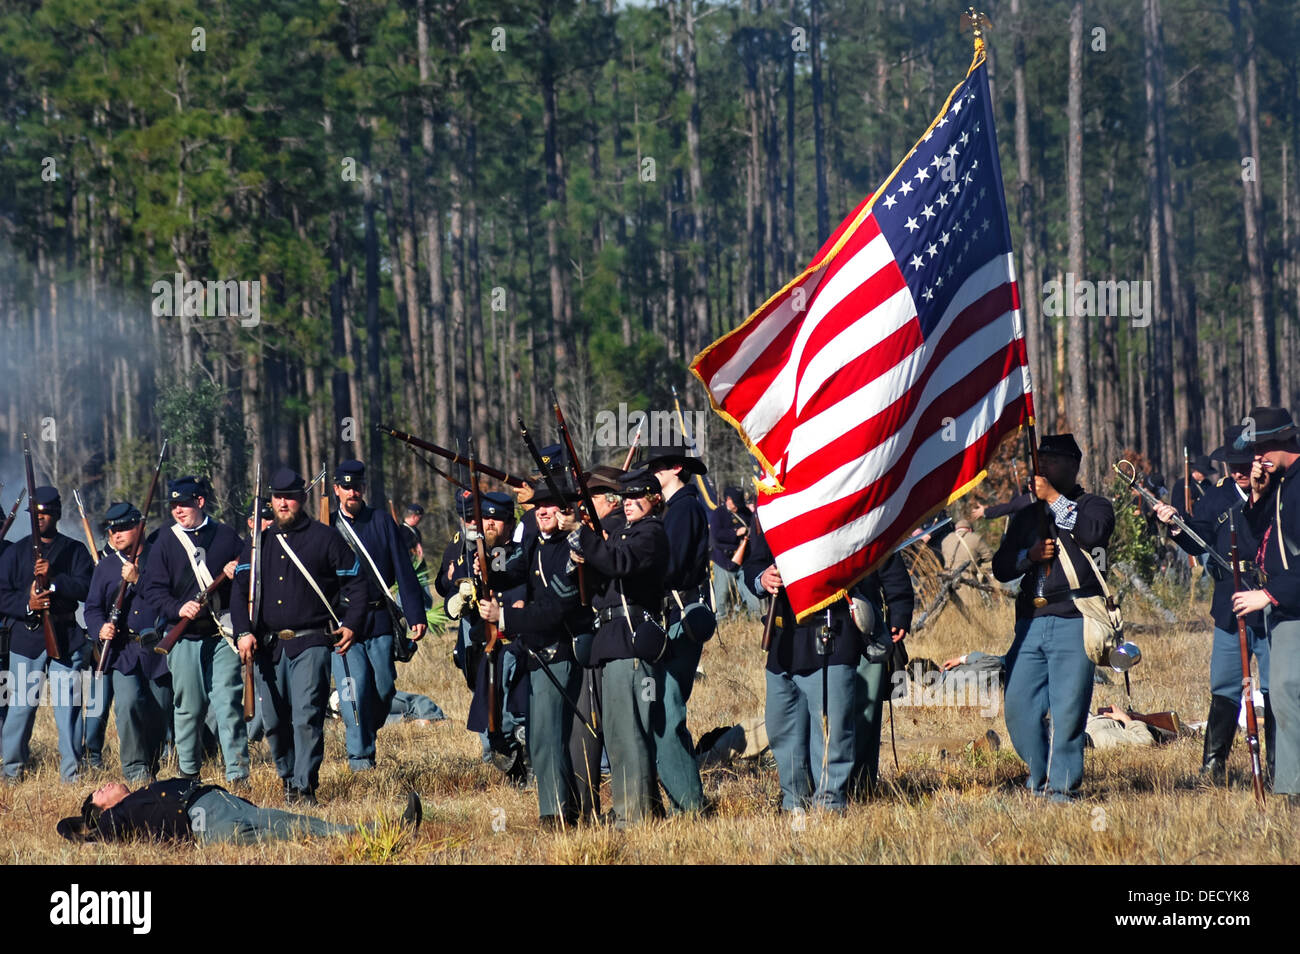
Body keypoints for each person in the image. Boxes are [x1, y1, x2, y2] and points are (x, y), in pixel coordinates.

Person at [744, 516, 911, 811]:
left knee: (843, 725)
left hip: (842, 630)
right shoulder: (775, 508)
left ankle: (841, 797)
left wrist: (899, 607)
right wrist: (762, 578)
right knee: (785, 727)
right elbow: (755, 562)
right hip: (786, 638)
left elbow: (884, 552)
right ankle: (796, 802)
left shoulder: (842, 502)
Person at [230, 467, 367, 804]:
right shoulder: (257, 543)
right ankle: (288, 779)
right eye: (278, 497)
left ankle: (305, 787)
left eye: (289, 497)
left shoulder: (325, 538)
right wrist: (243, 632)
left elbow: (357, 583)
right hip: (269, 646)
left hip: (312, 641)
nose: (283, 503)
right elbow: (239, 591)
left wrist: (352, 623)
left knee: (306, 716)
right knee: (275, 723)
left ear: (302, 499)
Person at [992, 433, 1115, 801]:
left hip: (1075, 618)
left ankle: (1061, 789)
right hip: (1030, 621)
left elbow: (1093, 535)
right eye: (1040, 460)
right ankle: (1039, 775)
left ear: (1073, 466)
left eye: (1053, 460)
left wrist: (1054, 500)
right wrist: (1028, 557)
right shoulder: (1027, 516)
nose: (1043, 466)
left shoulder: (1095, 506)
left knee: (1068, 711)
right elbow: (1001, 567)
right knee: (1019, 708)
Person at [1152, 424, 1272, 783]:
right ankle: (1213, 767)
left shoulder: (1277, 493)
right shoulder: (1216, 499)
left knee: (1276, 688)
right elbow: (1198, 539)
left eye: (1244, 463)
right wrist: (1176, 526)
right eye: (1233, 465)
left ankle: (1279, 768)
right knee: (1224, 685)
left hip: (1272, 603)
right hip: (1229, 603)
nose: (1238, 471)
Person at [557, 467, 667, 827]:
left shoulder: (651, 533)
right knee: (616, 733)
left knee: (627, 734)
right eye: (626, 497)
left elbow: (619, 562)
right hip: (610, 639)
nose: (628, 502)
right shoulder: (624, 533)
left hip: (630, 637)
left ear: (655, 500)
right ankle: (632, 810)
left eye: (637, 497)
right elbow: (600, 571)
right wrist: (579, 556)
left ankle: (634, 815)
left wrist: (583, 535)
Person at [480, 477, 591, 827]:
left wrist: (504, 616)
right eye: (538, 506)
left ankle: (555, 812)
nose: (542, 511)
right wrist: (485, 559)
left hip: (559, 652)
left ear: (564, 510)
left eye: (550, 505)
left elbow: (553, 609)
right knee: (543, 735)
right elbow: (508, 569)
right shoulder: (536, 544)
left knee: (546, 736)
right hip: (539, 654)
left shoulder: (571, 551)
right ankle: (560, 808)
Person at [139, 476, 248, 788]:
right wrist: (177, 608)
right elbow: (152, 590)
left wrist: (237, 572)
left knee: (228, 704)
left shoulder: (225, 535)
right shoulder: (165, 541)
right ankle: (188, 776)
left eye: (184, 504)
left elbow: (248, 582)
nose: (178, 510)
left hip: (220, 634)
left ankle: (238, 775)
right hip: (183, 636)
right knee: (188, 708)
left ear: (200, 502)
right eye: (174, 505)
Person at [329, 460, 428, 772]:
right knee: (353, 692)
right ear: (336, 489)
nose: (352, 492)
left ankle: (365, 734)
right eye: (346, 487)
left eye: (357, 487)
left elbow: (403, 568)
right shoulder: (327, 527)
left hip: (378, 619)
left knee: (384, 689)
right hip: (343, 622)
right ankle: (359, 758)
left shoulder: (382, 521)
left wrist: (416, 613)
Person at [0, 486, 95, 783]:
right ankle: (11, 771)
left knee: (68, 708)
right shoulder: (15, 552)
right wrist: (28, 603)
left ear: (57, 514)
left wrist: (54, 580)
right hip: (26, 638)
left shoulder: (75, 550)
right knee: (21, 708)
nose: (39, 518)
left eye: (45, 513)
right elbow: (2, 595)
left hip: (65, 636)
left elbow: (86, 589)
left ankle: (72, 774)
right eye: (35, 514)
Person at [1233, 407, 1300, 804]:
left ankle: (1294, 788)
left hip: (1290, 604)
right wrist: (1258, 494)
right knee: (1288, 695)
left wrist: (1270, 594)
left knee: (1289, 693)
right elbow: (1257, 539)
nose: (1256, 458)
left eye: (1261, 449)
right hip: (1286, 607)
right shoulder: (1282, 484)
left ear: (1282, 441)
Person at [644, 445, 712, 815]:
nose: (653, 473)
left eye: (658, 467)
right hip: (673, 616)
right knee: (662, 707)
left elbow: (671, 566)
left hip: (680, 617)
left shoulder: (684, 509)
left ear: (675, 469)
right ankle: (682, 800)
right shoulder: (674, 508)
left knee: (667, 710)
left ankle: (690, 805)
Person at [84, 502, 172, 783]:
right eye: (112, 530)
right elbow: (92, 608)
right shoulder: (106, 567)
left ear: (140, 527)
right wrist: (100, 628)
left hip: (158, 650)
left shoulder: (160, 559)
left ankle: (152, 764)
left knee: (159, 712)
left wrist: (138, 579)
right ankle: (135, 770)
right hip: (123, 652)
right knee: (128, 705)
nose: (116, 534)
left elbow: (168, 601)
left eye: (123, 528)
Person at [57, 776, 420, 844]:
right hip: (207, 821)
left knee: (293, 825)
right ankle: (377, 832)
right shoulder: (117, 816)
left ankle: (374, 832)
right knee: (291, 828)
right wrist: (82, 831)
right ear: (101, 810)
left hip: (220, 806)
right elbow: (95, 837)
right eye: (99, 792)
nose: (105, 785)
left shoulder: (139, 796)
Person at [709, 486, 761, 620]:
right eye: (735, 503)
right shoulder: (718, 513)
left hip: (744, 561)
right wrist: (735, 533)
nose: (738, 506)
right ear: (728, 500)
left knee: (751, 594)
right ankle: (722, 623)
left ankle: (755, 620)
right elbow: (715, 535)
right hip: (724, 561)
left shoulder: (745, 513)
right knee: (722, 597)